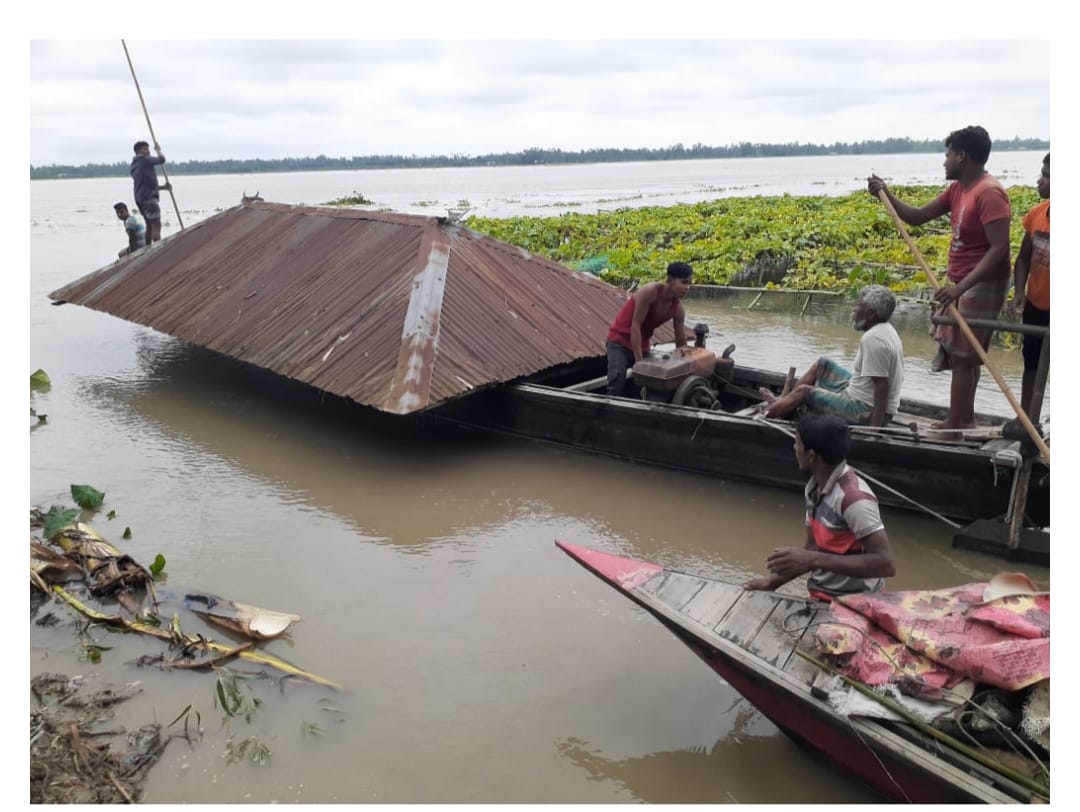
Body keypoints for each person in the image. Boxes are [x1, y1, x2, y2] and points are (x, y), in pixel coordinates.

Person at [868, 125, 1011, 434]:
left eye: (947, 155)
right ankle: (963, 419)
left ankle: (958, 422)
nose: (944, 161)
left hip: (983, 281)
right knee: (963, 354)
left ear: (962, 156)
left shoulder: (989, 192)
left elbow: (1000, 249)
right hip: (960, 278)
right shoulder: (957, 189)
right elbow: (917, 216)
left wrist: (960, 288)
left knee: (964, 355)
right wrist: (885, 193)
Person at [744, 414, 896, 601]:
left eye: (797, 444)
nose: (794, 448)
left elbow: (885, 564)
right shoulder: (814, 487)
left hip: (857, 603)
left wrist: (812, 559)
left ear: (811, 455)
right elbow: (813, 547)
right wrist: (772, 582)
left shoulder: (854, 500)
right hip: (821, 595)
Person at [758, 285, 904, 427]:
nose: (855, 309)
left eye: (859, 306)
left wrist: (874, 430)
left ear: (871, 314)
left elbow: (881, 385)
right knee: (822, 364)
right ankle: (782, 403)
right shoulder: (887, 330)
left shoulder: (873, 339)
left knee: (804, 391)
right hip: (859, 394)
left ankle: (761, 416)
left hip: (864, 411)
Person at [605, 261, 692, 397]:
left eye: (689, 283)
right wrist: (640, 363)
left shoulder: (678, 309)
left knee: (647, 385)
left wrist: (686, 366)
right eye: (684, 282)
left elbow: (680, 343)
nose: (687, 287)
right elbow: (635, 325)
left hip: (643, 344)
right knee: (616, 381)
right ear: (670, 280)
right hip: (619, 341)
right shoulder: (650, 292)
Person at [1007, 153, 1049, 417]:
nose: (1040, 180)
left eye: (1046, 175)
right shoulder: (1036, 214)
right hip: (1036, 303)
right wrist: (1019, 291)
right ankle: (1027, 419)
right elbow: (1023, 258)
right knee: (1031, 363)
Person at [130, 140, 172, 246]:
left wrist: (163, 187)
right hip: (148, 198)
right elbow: (161, 159)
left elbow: (147, 184)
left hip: (140, 199)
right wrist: (158, 150)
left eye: (148, 149)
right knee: (156, 225)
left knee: (149, 225)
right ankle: (158, 247)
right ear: (138, 151)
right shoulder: (144, 160)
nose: (148, 151)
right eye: (145, 149)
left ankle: (148, 248)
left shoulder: (134, 165)